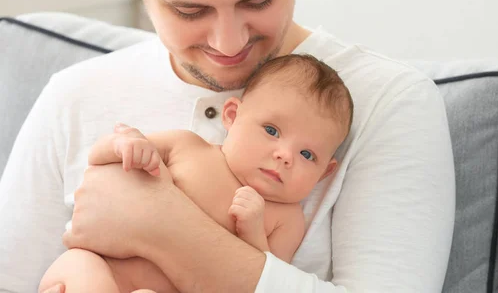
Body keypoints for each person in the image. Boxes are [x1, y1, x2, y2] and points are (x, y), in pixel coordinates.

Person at [0, 0, 456, 292]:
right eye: (189, 10)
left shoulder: (388, 103)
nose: (228, 43)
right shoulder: (75, 94)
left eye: (259, 1)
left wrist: (161, 227)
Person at [38, 54, 354, 292]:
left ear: (325, 173)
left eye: (306, 154)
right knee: (87, 275)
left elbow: (262, 280)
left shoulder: (285, 219)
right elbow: (98, 161)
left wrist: (254, 231)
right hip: (93, 266)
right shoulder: (186, 146)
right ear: (232, 116)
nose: (285, 156)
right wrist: (126, 144)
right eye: (271, 130)